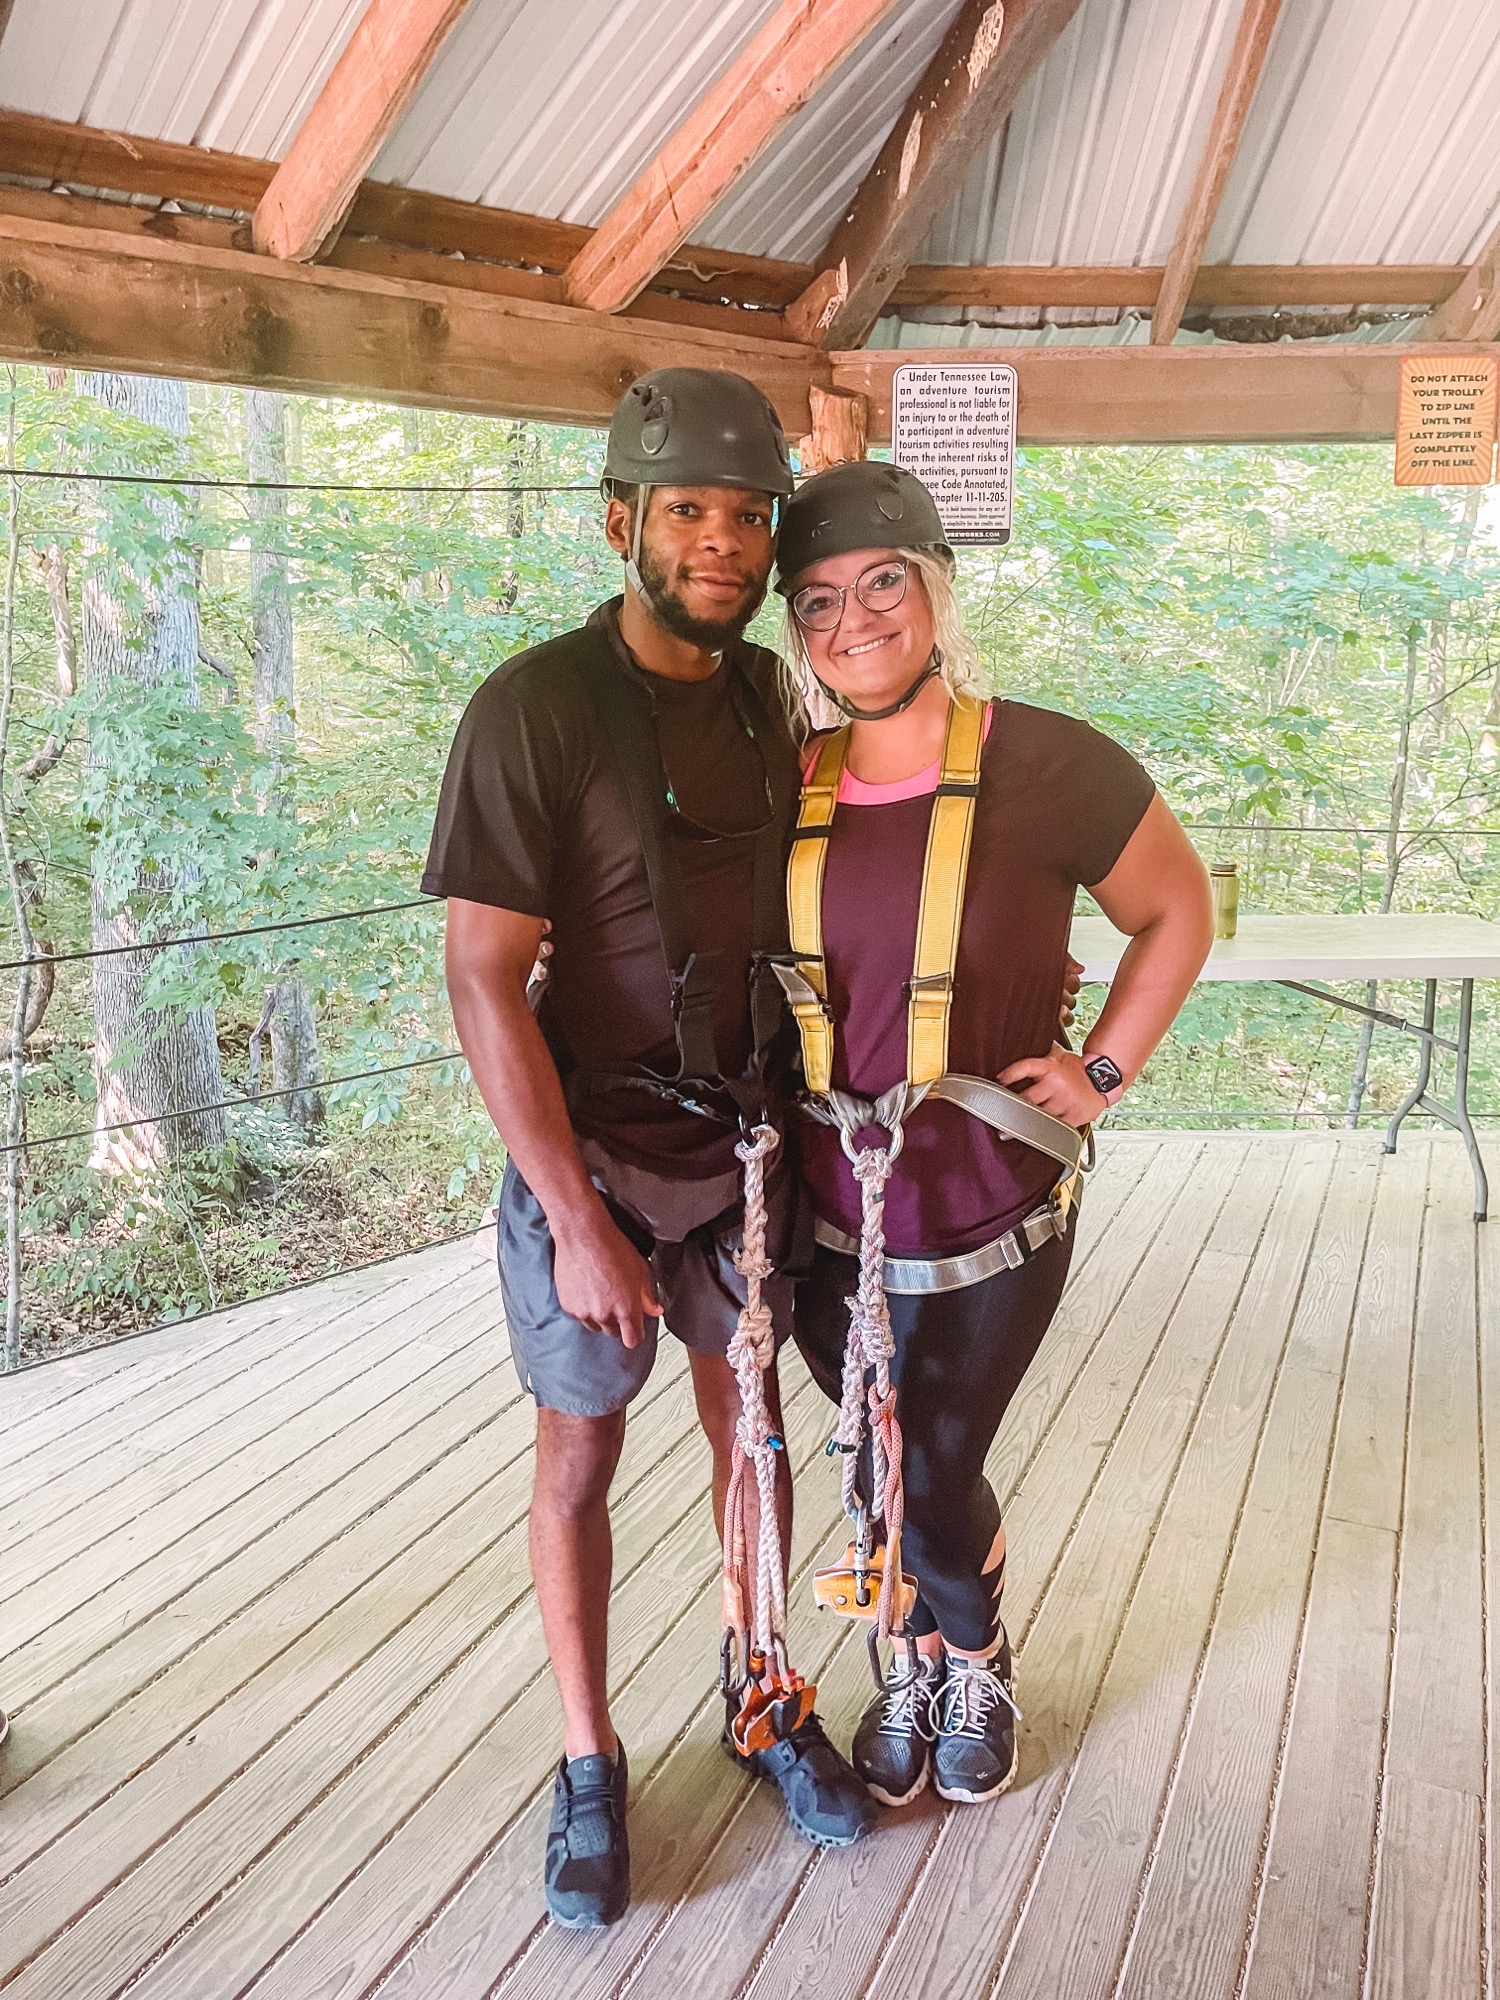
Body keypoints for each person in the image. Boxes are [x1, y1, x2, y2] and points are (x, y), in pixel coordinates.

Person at [422, 369, 875, 1932]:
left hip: (747, 1149)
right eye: (689, 510)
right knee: (581, 1450)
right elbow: (485, 977)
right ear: (622, 519)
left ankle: (761, 1691)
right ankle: (588, 1757)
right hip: (595, 1160)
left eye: (749, 516)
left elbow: (867, 862)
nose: (724, 543)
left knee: (745, 1433)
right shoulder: (533, 710)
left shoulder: (770, 699)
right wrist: (573, 1220)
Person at [771, 460, 1214, 1811]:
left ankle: (974, 1653)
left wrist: (1101, 1068)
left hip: (987, 1207)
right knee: (875, 1452)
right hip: (826, 1215)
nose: (856, 621)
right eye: (821, 601)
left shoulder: (1048, 762)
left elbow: (1177, 909)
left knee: (943, 1454)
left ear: (937, 587)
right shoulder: (786, 784)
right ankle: (906, 1650)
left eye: (884, 582)